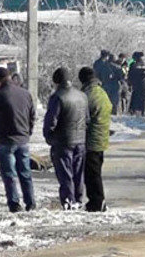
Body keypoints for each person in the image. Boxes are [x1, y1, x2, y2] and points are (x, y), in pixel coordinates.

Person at [0, 67, 36, 212]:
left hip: (5, 141)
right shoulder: (25, 94)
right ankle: (31, 203)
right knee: (25, 173)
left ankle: (14, 204)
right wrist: (27, 133)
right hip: (23, 140)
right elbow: (32, 115)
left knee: (9, 175)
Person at [43, 67, 89, 210]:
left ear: (56, 81)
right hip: (80, 140)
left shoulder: (57, 97)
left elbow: (51, 122)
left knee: (65, 174)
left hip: (63, 142)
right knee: (78, 173)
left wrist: (50, 138)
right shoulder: (82, 96)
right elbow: (87, 119)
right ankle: (79, 199)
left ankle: (69, 201)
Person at [79, 67, 112, 212]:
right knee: (95, 172)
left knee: (92, 175)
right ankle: (97, 201)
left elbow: (83, 118)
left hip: (91, 139)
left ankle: (97, 202)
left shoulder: (88, 95)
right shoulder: (101, 92)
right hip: (101, 137)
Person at [128, 52, 145, 116]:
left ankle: (133, 111)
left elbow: (130, 75)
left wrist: (130, 84)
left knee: (135, 97)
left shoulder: (133, 64)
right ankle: (142, 112)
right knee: (143, 98)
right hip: (144, 84)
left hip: (136, 84)